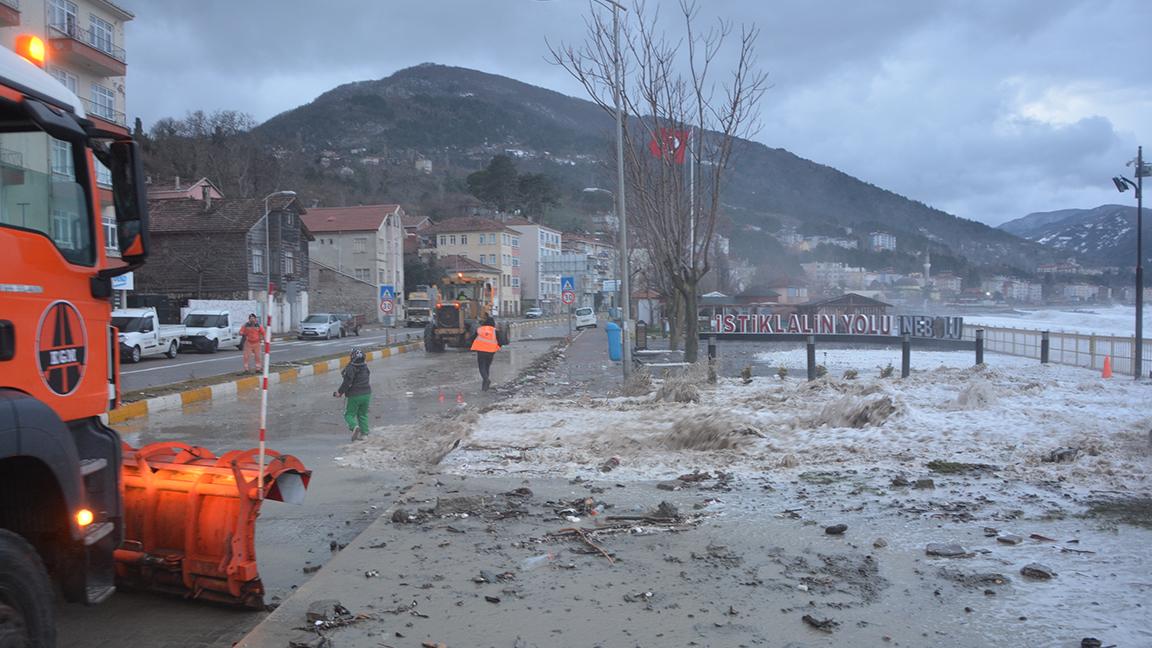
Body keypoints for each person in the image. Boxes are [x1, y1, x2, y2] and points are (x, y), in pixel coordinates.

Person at [333, 347, 371, 440]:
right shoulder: (365, 367)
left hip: (354, 395)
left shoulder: (350, 368)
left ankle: (354, 426)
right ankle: (365, 434)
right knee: (363, 414)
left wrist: (339, 392)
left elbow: (347, 382)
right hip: (367, 394)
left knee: (348, 414)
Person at [470, 315, 507, 391]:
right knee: (487, 366)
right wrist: (497, 348)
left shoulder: (480, 329)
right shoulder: (495, 331)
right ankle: (485, 386)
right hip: (491, 351)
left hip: (481, 351)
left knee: (482, 367)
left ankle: (486, 380)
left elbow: (472, 338)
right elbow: (500, 341)